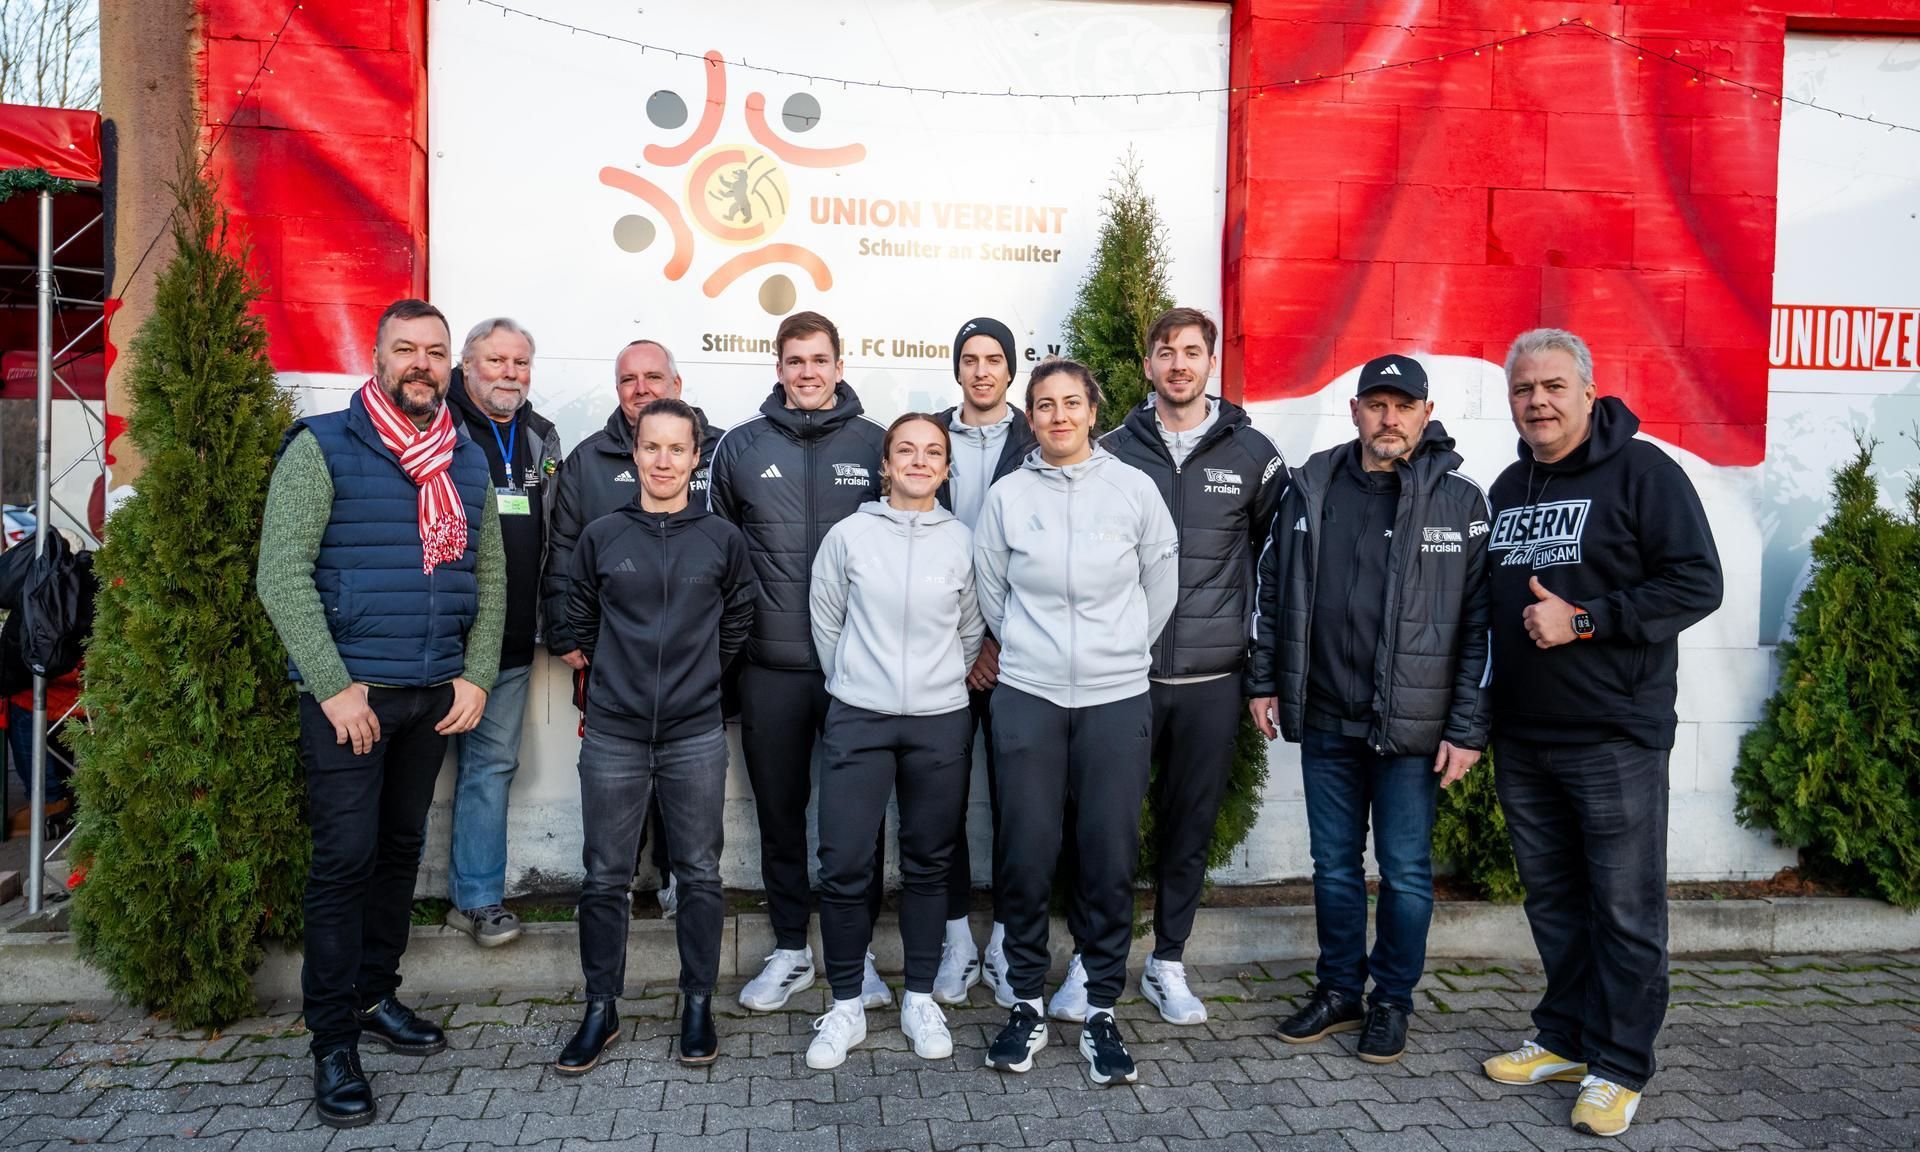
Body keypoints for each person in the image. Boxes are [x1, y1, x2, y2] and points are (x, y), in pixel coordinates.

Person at [256, 298, 505, 1129]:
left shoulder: (465, 458)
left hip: (430, 696)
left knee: (401, 853)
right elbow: (282, 574)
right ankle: (332, 1042)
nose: (422, 365)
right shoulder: (323, 446)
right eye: (407, 350)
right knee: (345, 863)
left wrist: (473, 676)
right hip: (350, 701)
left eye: (435, 352)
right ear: (377, 357)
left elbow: (490, 576)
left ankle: (375, 997)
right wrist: (332, 685)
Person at [1478, 329, 1721, 1138]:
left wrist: (1584, 620)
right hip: (1525, 735)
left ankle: (1619, 1065)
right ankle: (1567, 1037)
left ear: (1588, 391)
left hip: (1613, 733)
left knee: (1624, 909)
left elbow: (1696, 582)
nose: (1537, 402)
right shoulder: (1510, 485)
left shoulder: (1647, 473)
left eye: (1552, 386)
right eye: (1523, 391)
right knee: (1554, 901)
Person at [1245, 353, 1491, 1064]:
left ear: (1426, 412)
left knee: (1408, 871)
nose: (1389, 418)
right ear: (1354, 410)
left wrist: (1466, 727)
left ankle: (1392, 1002)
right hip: (1326, 717)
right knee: (1333, 866)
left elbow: (1480, 625)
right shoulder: (1310, 485)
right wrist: (1265, 682)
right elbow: (1273, 592)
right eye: (1376, 404)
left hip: (1411, 729)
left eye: (1403, 405)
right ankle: (1338, 990)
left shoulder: (1460, 500)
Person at [972, 359, 1179, 1086]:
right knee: (1025, 854)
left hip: (1115, 697)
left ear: (1094, 411)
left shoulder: (1134, 490)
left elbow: (1160, 587)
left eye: (1070, 403)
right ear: (1029, 418)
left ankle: (1099, 1010)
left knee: (1108, 857)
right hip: (1027, 694)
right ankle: (1025, 1001)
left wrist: (1115, 657)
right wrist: (1034, 655)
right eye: (1043, 405)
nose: (1057, 415)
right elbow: (993, 596)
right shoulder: (1005, 497)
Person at [554, 397, 755, 1074]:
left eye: (677, 448)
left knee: (698, 872)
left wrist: (697, 679)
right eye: (651, 447)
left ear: (696, 458)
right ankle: (600, 1008)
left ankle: (697, 1003)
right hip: (613, 731)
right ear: (634, 454)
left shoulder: (722, 540)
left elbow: (737, 622)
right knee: (605, 876)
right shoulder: (603, 536)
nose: (663, 460)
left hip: (694, 733)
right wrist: (618, 679)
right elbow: (578, 619)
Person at [1100, 307, 1283, 1026]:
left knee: (1188, 829)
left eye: (1191, 352)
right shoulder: (1112, 449)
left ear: (1212, 364)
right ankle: (1097, 962)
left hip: (1211, 682)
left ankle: (1168, 962)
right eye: (1165, 352)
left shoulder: (1253, 453)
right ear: (1147, 365)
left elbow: (1276, 569)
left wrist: (1260, 671)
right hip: (1122, 680)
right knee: (1107, 827)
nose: (1177, 364)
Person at [706, 311, 889, 1012]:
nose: (807, 372)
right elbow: (717, 558)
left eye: (819, 359)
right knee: (781, 818)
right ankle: (790, 951)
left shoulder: (877, 445)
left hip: (858, 673)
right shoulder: (740, 449)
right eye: (794, 360)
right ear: (777, 368)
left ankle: (858, 955)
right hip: (771, 669)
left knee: (859, 826)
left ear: (840, 365)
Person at [804, 413, 985, 1070]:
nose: (917, 460)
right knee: (847, 862)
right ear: (884, 464)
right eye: (904, 450)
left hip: (939, 718)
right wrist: (858, 678)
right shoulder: (849, 537)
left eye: (931, 451)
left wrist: (937, 683)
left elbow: (970, 632)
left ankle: (919, 999)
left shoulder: (963, 541)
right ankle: (847, 1003)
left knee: (929, 861)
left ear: (944, 467)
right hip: (860, 714)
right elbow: (827, 622)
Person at [542, 339, 724, 918]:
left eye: (653, 376)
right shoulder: (588, 459)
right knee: (615, 776)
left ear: (677, 381)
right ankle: (613, 882)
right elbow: (563, 550)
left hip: (691, 668)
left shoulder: (718, 452)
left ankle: (676, 878)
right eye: (628, 380)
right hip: (613, 664)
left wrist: (716, 653)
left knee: (685, 780)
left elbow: (736, 556)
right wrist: (569, 634)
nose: (640, 388)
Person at [441, 317, 564, 948]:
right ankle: (375, 904)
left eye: (520, 362)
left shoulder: (542, 435)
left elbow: (558, 535)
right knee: (401, 779)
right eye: (496, 361)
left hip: (512, 641)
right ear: (466, 366)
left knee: (490, 768)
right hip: (435, 639)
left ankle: (478, 900)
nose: (509, 373)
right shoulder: (436, 425)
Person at [932, 316, 1036, 1006]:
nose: (981, 371)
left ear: (1011, 369)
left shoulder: (1041, 438)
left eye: (993, 359)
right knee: (938, 804)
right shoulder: (926, 436)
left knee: (1017, 805)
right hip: (939, 649)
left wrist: (995, 638)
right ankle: (954, 941)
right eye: (969, 359)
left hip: (1015, 655)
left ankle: (1004, 941)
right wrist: (963, 639)